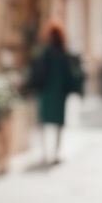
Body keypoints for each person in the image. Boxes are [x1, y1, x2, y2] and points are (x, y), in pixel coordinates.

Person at [34, 19, 78, 165]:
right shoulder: (61, 53)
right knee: (57, 123)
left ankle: (48, 152)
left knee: (46, 122)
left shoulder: (48, 52)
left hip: (51, 91)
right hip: (57, 92)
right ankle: (53, 152)